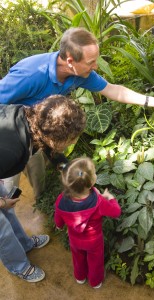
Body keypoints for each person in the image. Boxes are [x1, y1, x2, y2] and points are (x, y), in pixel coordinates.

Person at [0, 27, 154, 200]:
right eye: (91, 62)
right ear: (70, 61)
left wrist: (152, 101)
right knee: (7, 189)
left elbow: (112, 90)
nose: (96, 67)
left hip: (39, 136)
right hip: (9, 136)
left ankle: (39, 202)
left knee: (36, 172)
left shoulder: (80, 73)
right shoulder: (31, 74)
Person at [0, 95, 86, 282]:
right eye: (72, 139)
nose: (73, 143)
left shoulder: (31, 120)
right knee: (1, 228)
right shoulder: (11, 151)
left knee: (8, 214)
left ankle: (25, 244)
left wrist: (67, 168)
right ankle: (19, 266)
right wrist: (3, 201)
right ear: (56, 136)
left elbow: (47, 146)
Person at [54, 157, 121, 288]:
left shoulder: (61, 200)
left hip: (74, 239)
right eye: (94, 173)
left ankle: (80, 277)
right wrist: (111, 199)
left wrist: (59, 225)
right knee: (95, 260)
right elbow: (116, 212)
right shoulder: (99, 201)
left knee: (77, 258)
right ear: (91, 183)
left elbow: (58, 215)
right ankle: (95, 282)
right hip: (94, 242)